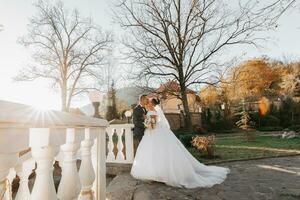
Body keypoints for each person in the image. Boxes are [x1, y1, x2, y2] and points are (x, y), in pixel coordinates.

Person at [131, 98, 230, 189]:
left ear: (151, 104)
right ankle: (156, 174)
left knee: (158, 153)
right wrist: (146, 119)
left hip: (154, 133)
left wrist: (145, 121)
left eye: (148, 103)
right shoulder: (152, 111)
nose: (146, 105)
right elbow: (152, 124)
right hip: (154, 134)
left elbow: (152, 126)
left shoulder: (152, 111)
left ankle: (159, 174)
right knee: (156, 153)